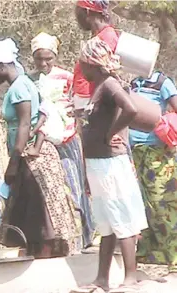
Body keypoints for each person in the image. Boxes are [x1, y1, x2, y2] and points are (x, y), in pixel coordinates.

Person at [0, 38, 80, 258]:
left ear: (2, 66)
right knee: (34, 208)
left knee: (38, 212)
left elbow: (25, 124)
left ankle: (42, 256)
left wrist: (13, 162)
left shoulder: (19, 88)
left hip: (30, 157)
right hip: (30, 154)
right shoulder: (25, 83)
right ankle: (39, 253)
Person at [76, 37, 148, 293]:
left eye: (83, 62)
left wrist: (110, 134)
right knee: (107, 224)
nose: (81, 67)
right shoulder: (98, 86)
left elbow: (129, 109)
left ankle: (130, 277)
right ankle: (101, 279)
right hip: (98, 164)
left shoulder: (109, 85)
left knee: (122, 218)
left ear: (92, 63)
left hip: (110, 163)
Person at [29, 32, 94, 249]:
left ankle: (83, 237)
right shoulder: (30, 81)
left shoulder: (66, 77)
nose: (44, 63)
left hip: (67, 139)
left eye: (48, 58)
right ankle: (62, 239)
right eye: (39, 58)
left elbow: (78, 106)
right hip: (44, 142)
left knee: (74, 187)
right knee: (53, 191)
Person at [129, 72, 177, 278]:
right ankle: (149, 250)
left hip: (156, 151)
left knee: (162, 202)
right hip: (133, 149)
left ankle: (173, 255)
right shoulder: (133, 83)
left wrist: (165, 125)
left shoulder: (162, 82)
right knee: (140, 201)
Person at [73, 0, 119, 128]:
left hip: (96, 108)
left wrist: (89, 106)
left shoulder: (107, 37)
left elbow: (105, 77)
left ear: (87, 12)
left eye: (77, 12)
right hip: (87, 105)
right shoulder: (99, 36)